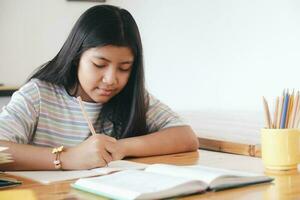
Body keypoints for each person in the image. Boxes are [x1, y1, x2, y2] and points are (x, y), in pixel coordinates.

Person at [0, 5, 198, 170]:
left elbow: (186, 137)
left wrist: (120, 147)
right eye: (99, 65)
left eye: (124, 68)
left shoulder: (130, 97)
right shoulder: (39, 95)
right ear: (77, 57)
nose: (111, 79)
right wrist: (67, 158)